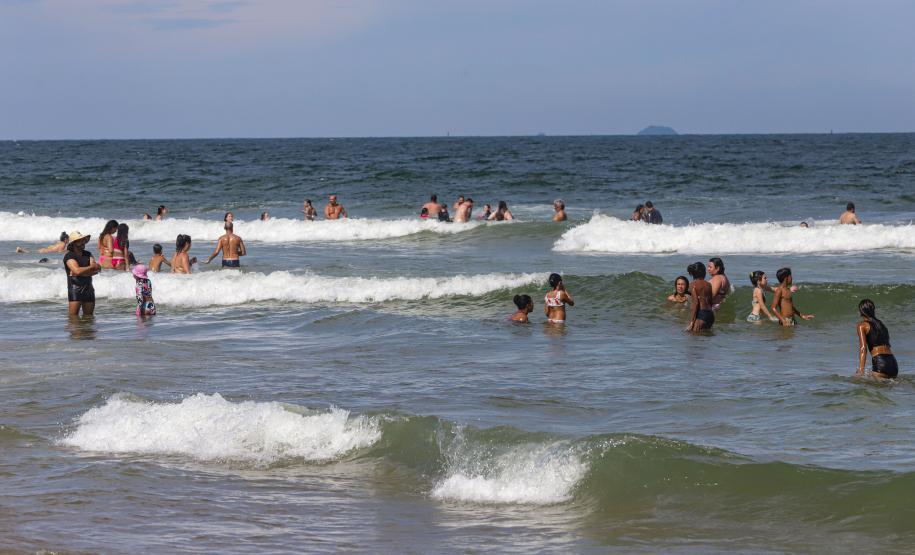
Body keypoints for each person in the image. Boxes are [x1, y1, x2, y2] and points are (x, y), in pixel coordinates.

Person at [856, 299, 898, 378]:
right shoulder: (881, 324)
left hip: (880, 362)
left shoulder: (862, 325)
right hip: (893, 364)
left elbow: (863, 348)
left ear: (861, 311)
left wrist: (861, 370)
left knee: (863, 385)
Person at [63, 231, 100, 317]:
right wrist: (90, 268)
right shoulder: (69, 256)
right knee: (73, 318)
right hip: (75, 289)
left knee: (89, 317)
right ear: (74, 243)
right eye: (80, 241)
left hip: (89, 288)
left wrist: (82, 272)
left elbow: (98, 269)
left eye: (83, 240)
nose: (83, 242)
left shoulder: (88, 254)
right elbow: (77, 270)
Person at [686, 262, 714, 332]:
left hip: (701, 314)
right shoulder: (708, 284)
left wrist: (692, 321)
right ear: (703, 273)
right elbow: (710, 302)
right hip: (710, 315)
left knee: (692, 337)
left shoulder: (692, 285)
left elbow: (696, 303)